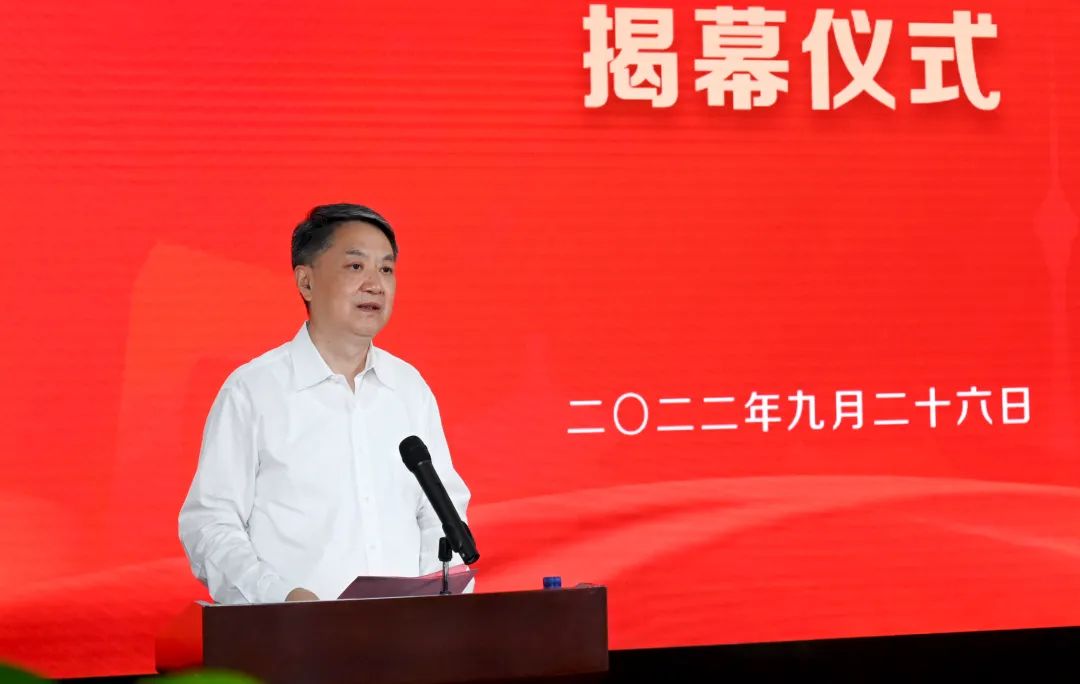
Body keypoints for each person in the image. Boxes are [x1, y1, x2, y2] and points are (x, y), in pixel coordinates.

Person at [178, 203, 471, 604]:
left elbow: (441, 514)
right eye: (356, 266)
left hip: (404, 634)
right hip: (292, 631)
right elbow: (210, 525)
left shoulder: (408, 389)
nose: (375, 284)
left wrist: (435, 599)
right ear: (306, 282)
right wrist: (281, 597)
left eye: (386, 269)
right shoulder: (254, 391)